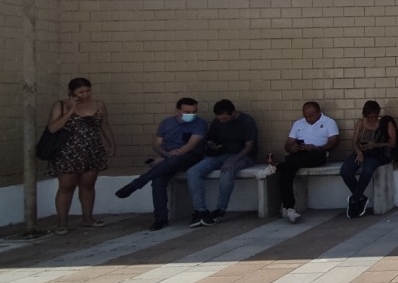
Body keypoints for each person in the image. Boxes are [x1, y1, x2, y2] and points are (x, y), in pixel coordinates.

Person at [115, 97, 207, 231]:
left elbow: (191, 145)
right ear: (177, 111)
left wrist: (167, 158)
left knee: (172, 162)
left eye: (194, 111)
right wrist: (166, 156)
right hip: (169, 159)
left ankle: (136, 184)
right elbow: (157, 145)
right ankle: (160, 218)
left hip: (189, 158)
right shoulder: (166, 123)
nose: (191, 115)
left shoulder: (200, 123)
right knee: (158, 180)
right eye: (187, 112)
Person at [45, 77, 115, 235]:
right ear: (72, 93)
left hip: (92, 149)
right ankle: (62, 222)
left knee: (88, 185)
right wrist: (70, 110)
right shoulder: (61, 105)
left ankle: (88, 218)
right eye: (80, 92)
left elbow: (104, 124)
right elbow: (53, 128)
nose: (85, 95)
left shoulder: (98, 105)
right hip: (68, 152)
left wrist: (111, 143)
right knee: (66, 186)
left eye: (88, 91)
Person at [185, 99, 258, 227]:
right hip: (220, 154)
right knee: (193, 172)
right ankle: (200, 210)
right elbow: (212, 138)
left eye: (225, 119)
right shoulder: (217, 122)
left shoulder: (246, 121)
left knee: (226, 171)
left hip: (242, 156)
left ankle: (220, 209)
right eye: (219, 119)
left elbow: (249, 147)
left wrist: (233, 161)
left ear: (233, 113)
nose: (222, 121)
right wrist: (212, 144)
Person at [278, 101, 340, 222]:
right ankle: (290, 207)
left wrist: (315, 147)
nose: (308, 119)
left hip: (318, 153)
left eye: (311, 116)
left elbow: (333, 143)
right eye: (305, 116)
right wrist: (292, 148)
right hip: (300, 154)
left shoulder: (329, 122)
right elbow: (288, 144)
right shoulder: (298, 123)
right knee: (286, 170)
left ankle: (277, 167)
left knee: (286, 166)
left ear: (318, 113)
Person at [340, 100, 396, 219]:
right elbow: (354, 142)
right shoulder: (360, 123)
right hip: (362, 151)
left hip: (377, 153)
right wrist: (359, 152)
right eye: (368, 117)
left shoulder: (385, 123)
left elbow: (392, 143)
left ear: (378, 114)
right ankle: (361, 198)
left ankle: (354, 200)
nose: (371, 120)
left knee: (367, 169)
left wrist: (376, 145)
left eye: (373, 117)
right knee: (345, 170)